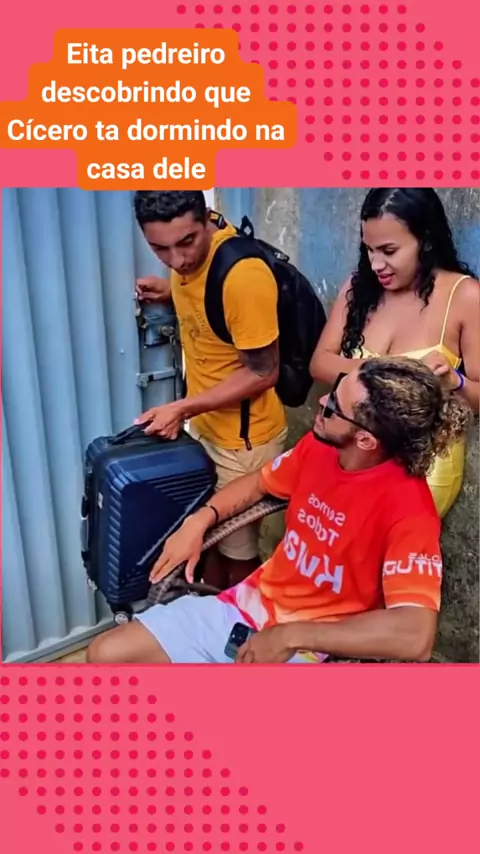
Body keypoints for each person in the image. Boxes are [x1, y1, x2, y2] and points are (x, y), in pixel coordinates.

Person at [87, 357, 470, 665]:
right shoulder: (319, 448)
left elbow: (416, 635)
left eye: (334, 407)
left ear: (366, 439)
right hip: (244, 611)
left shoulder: (410, 510)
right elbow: (258, 483)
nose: (321, 402)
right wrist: (200, 518)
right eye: (334, 390)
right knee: (105, 654)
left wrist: (292, 635)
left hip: (312, 650)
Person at [133, 191, 288, 589]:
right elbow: (208, 302)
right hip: (208, 427)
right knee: (207, 546)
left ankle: (241, 623)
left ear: (206, 219)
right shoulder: (188, 261)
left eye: (186, 242)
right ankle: (206, 615)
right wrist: (171, 292)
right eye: (159, 249)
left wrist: (182, 409)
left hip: (243, 442)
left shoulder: (242, 277)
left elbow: (263, 373)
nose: (177, 260)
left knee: (237, 555)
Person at [310, 188, 479, 519]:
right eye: (369, 249)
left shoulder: (465, 297)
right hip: (353, 455)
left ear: (425, 240)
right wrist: (394, 372)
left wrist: (454, 381)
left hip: (423, 470)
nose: (376, 264)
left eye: (389, 251)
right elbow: (320, 364)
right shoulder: (359, 287)